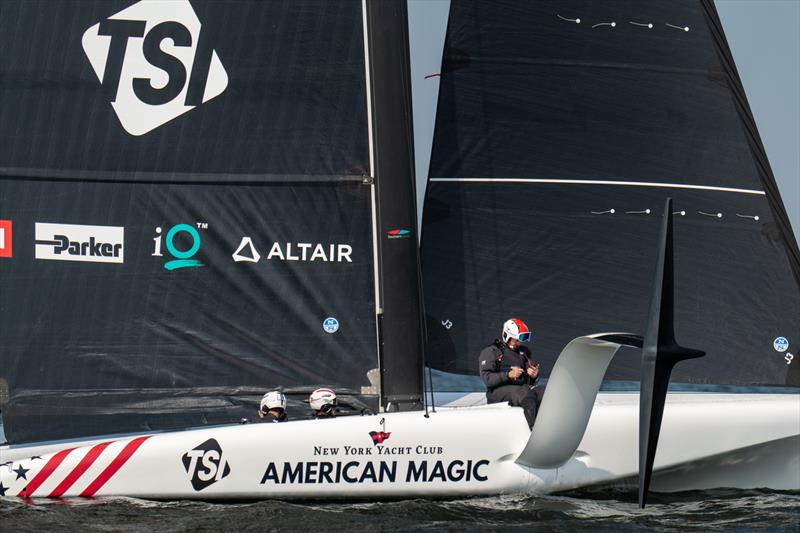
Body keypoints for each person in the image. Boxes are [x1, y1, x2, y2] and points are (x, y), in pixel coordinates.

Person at [478, 318, 544, 428]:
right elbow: (487, 378)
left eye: (520, 340)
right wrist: (508, 375)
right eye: (516, 340)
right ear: (507, 337)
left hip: (521, 388)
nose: (519, 343)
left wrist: (534, 375)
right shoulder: (491, 352)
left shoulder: (524, 352)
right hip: (497, 392)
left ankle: (551, 427)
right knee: (524, 392)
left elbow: (530, 380)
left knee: (545, 391)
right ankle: (532, 429)